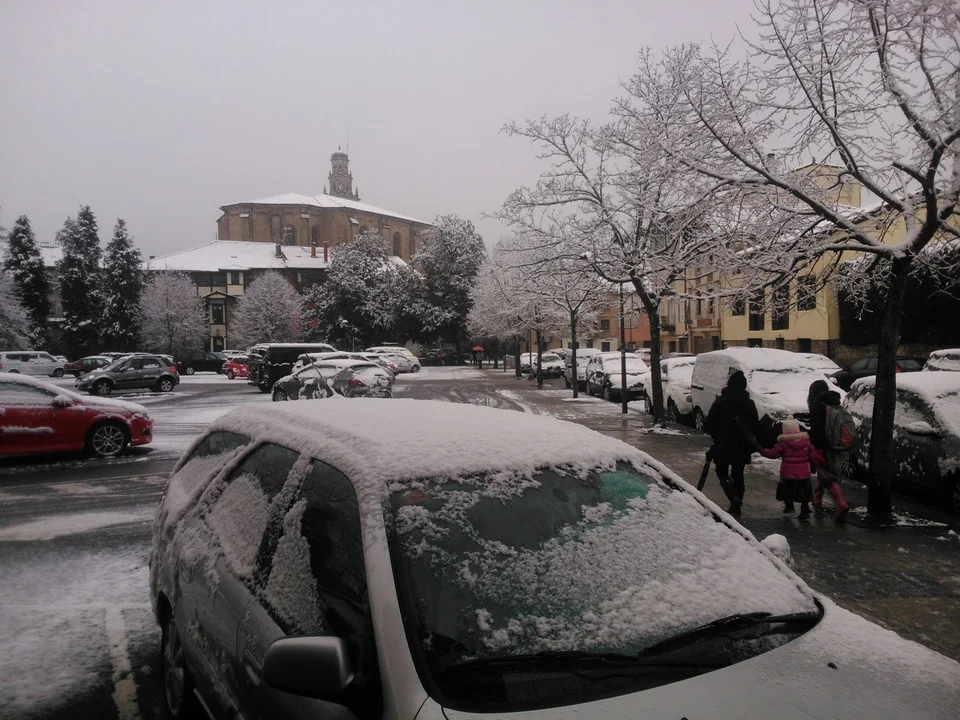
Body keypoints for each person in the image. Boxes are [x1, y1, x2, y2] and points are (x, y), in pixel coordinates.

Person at [705, 370, 761, 516]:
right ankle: (737, 504)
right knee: (738, 474)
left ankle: (733, 497)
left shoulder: (720, 402)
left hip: (723, 444)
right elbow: (755, 425)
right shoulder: (749, 403)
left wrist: (716, 437)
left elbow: (710, 422)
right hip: (742, 446)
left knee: (721, 471)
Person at [807, 379, 851, 521]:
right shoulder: (834, 404)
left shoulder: (817, 407)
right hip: (837, 444)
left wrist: (814, 446)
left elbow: (817, 431)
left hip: (822, 446)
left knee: (827, 475)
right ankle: (817, 499)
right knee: (824, 473)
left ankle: (841, 503)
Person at [759, 417, 818, 520]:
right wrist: (813, 468)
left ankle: (789, 507)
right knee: (804, 493)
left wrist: (761, 450)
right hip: (804, 473)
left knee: (786, 490)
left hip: (788, 473)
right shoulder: (807, 443)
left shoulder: (783, 443)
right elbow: (813, 457)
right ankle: (805, 512)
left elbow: (773, 454)